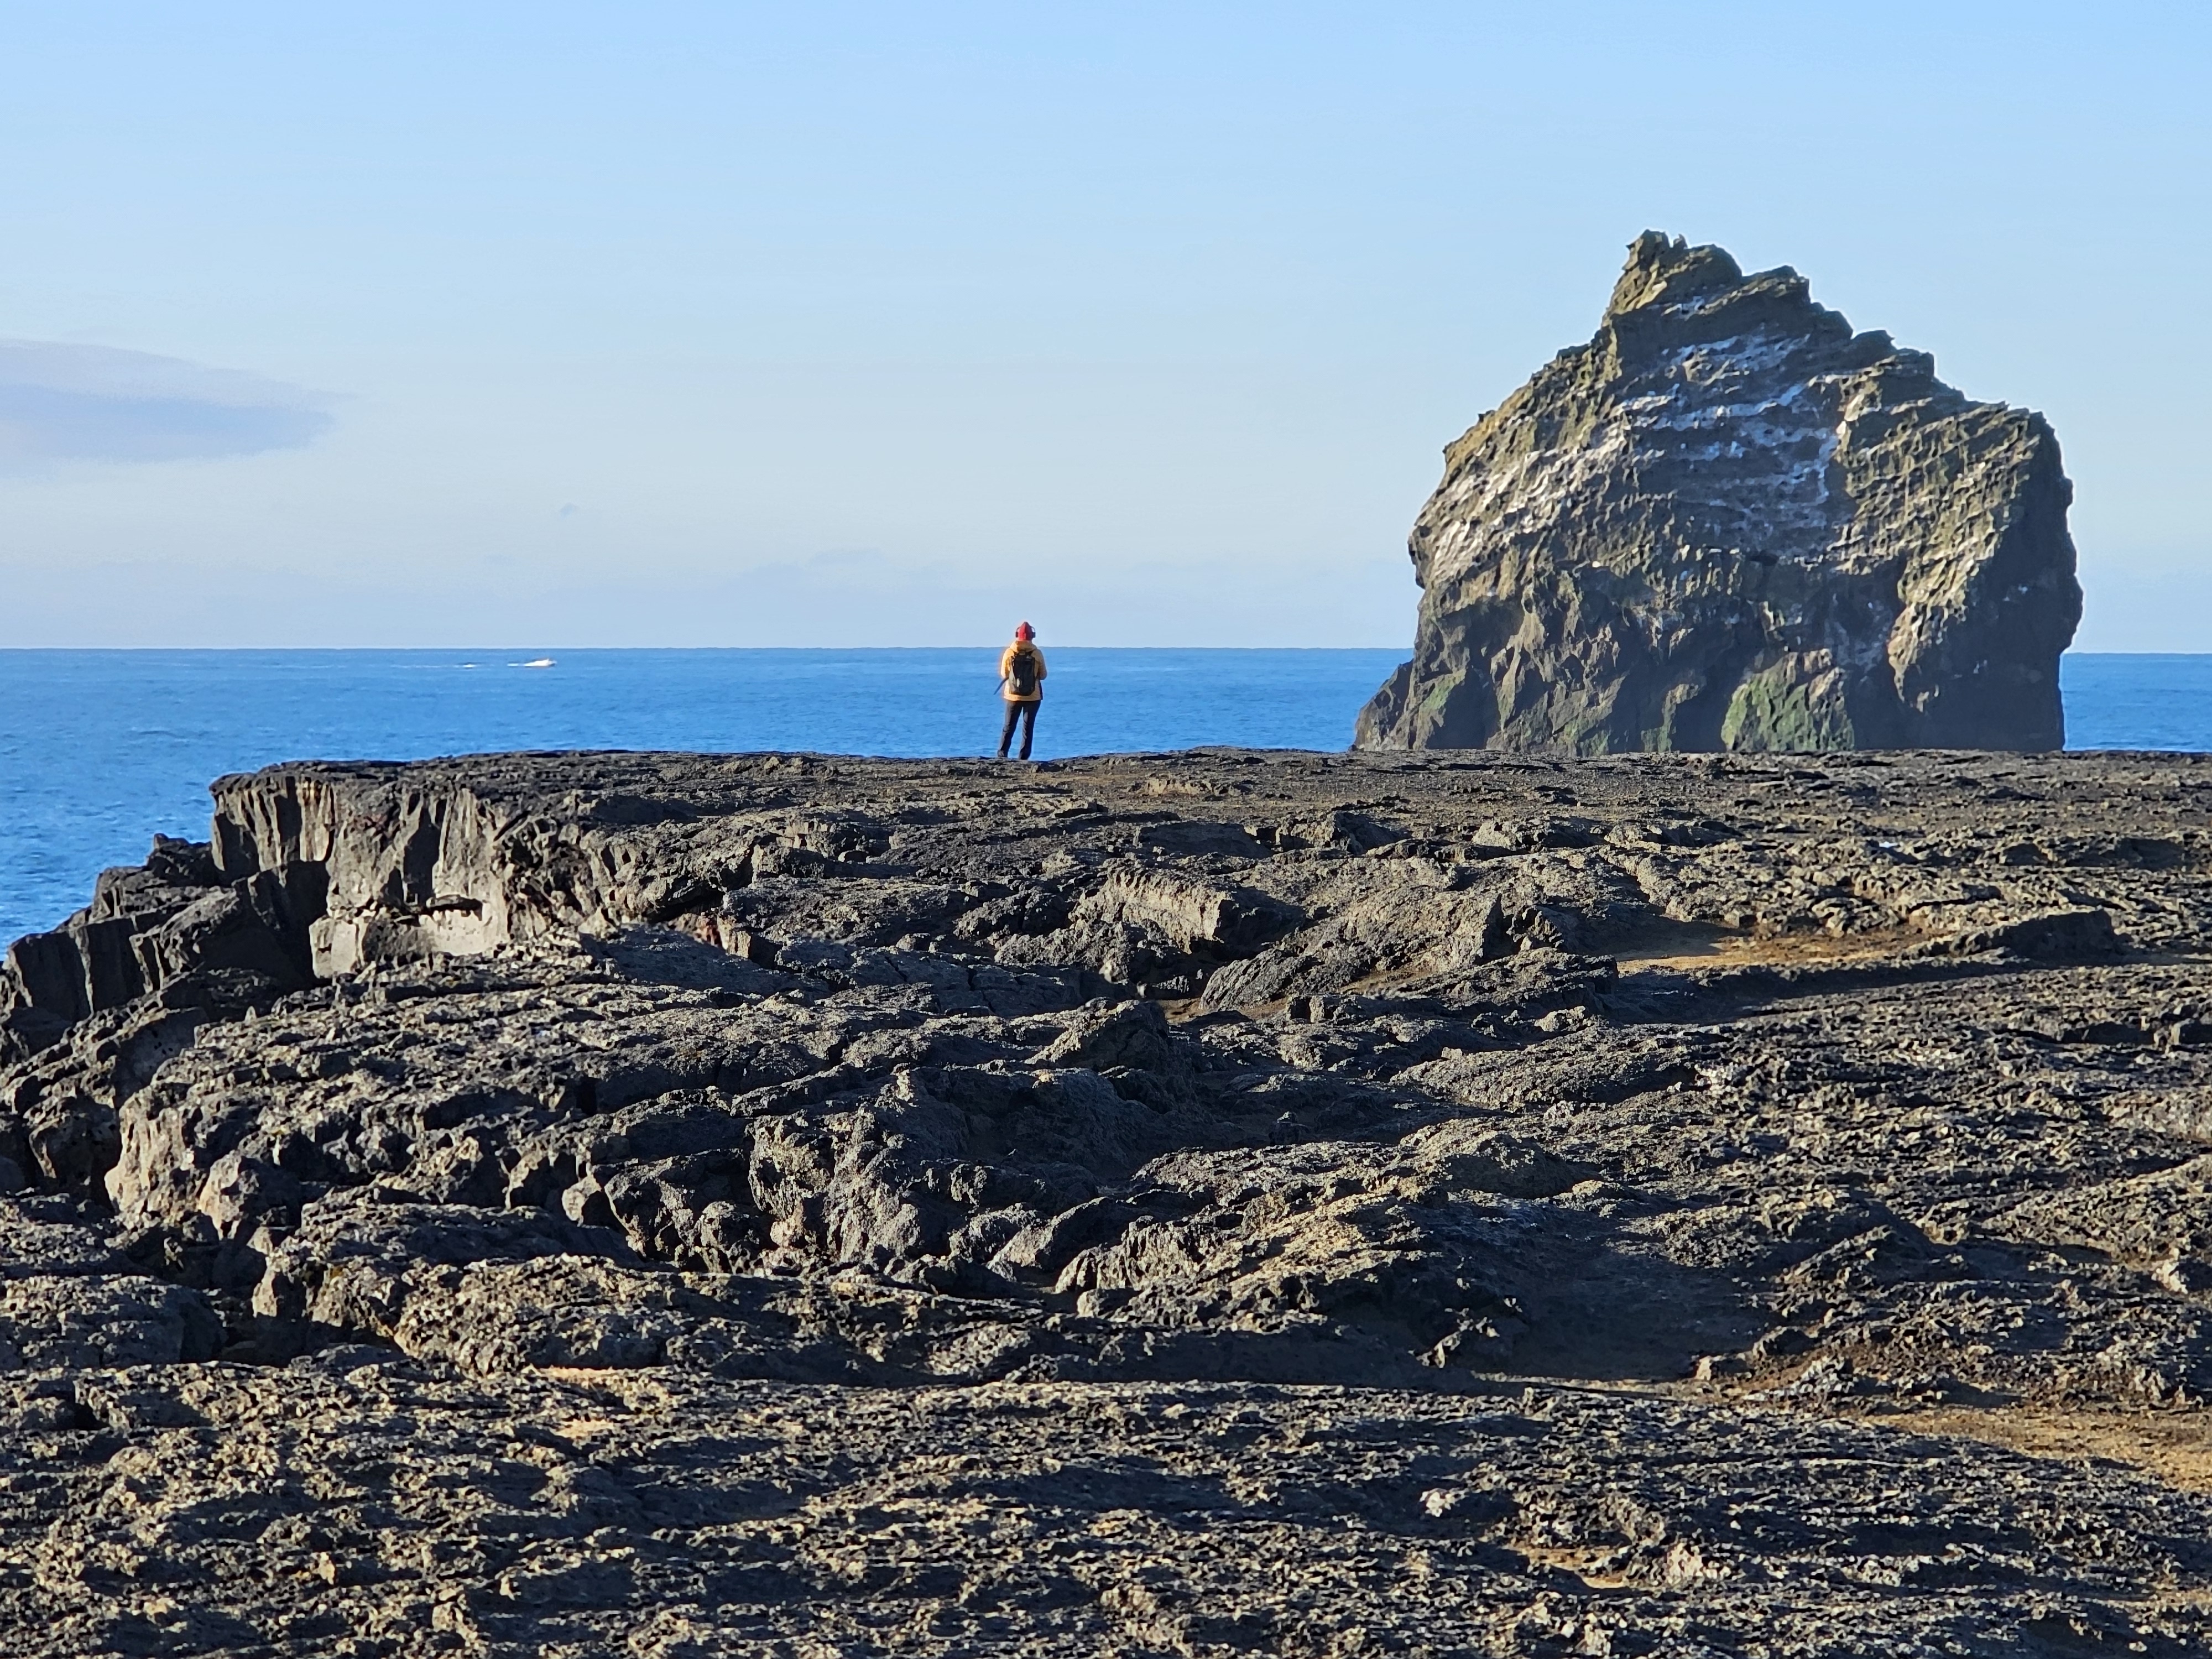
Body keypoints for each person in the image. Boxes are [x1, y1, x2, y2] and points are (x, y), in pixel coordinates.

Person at [997, 621, 1046, 759]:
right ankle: (1023, 757)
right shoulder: (1037, 653)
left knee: (1008, 726)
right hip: (1033, 696)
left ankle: (1002, 755)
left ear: (1017, 635)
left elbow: (1004, 674)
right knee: (1028, 727)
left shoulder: (1009, 653)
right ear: (1032, 636)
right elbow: (1043, 675)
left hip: (1013, 695)